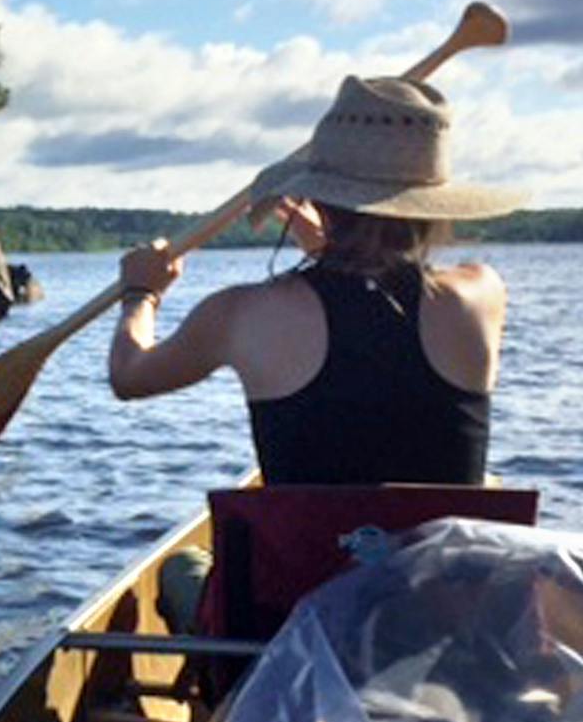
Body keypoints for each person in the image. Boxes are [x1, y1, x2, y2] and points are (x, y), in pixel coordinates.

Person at [109, 74, 524, 491]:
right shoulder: (482, 293)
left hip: (311, 557)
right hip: (449, 557)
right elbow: (373, 304)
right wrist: (325, 246)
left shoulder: (238, 314)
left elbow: (130, 376)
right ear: (433, 206)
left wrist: (141, 294)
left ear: (320, 201)